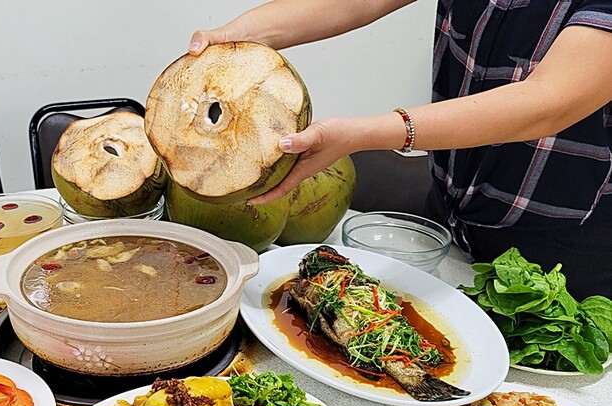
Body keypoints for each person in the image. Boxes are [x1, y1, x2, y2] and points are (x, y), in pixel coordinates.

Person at [188, 0, 612, 300]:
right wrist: (233, 36)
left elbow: (550, 102)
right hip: (453, 207)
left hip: (563, 244)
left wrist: (363, 133)